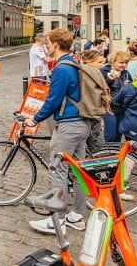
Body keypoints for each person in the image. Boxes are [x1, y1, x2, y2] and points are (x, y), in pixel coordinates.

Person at [22, 29, 89, 235]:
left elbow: (53, 101)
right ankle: (77, 216)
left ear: (56, 45)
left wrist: (34, 118)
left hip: (69, 125)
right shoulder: (72, 62)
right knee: (78, 172)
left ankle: (56, 221)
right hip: (81, 123)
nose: (46, 47)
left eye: (49, 43)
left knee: (57, 170)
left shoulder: (61, 68)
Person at [80, 50, 108, 152]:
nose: (102, 65)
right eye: (99, 62)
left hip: (91, 112)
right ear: (89, 61)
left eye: (103, 62)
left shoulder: (92, 71)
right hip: (91, 113)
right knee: (98, 145)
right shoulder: (90, 71)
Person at [102, 50, 133, 142]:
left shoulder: (126, 73)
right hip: (109, 108)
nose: (124, 65)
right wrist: (110, 79)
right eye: (121, 62)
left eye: (126, 63)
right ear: (113, 61)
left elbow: (131, 89)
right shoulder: (104, 71)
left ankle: (116, 155)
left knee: (118, 135)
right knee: (110, 135)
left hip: (122, 108)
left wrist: (129, 85)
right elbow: (100, 87)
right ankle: (106, 154)